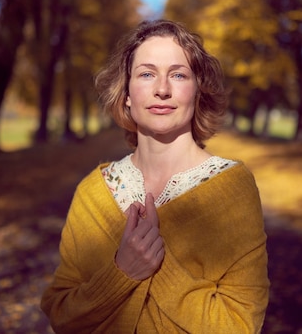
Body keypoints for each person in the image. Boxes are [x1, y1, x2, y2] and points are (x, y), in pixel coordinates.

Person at [40, 19, 269, 333]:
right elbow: (62, 314)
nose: (162, 89)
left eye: (178, 74)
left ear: (197, 92)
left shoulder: (232, 189)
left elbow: (240, 325)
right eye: (147, 74)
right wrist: (122, 272)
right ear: (127, 94)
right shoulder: (93, 193)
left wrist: (157, 268)